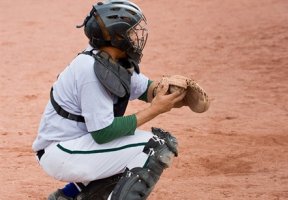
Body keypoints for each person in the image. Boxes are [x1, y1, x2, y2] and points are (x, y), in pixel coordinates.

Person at [32, 0, 186, 199]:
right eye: (130, 33)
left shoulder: (111, 60)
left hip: (77, 146)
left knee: (129, 153)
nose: (135, 38)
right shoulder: (90, 70)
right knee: (155, 146)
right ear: (117, 38)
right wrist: (156, 109)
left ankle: (68, 196)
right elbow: (103, 133)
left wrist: (173, 92)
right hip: (62, 152)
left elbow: (146, 89)